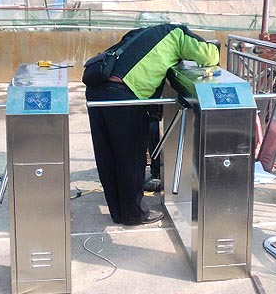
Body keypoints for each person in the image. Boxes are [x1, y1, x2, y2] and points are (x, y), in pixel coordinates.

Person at [85, 23, 219, 225]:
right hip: (124, 94)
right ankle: (134, 214)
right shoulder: (178, 34)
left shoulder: (140, 32)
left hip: (96, 90)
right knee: (130, 157)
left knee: (108, 155)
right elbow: (208, 55)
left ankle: (118, 212)